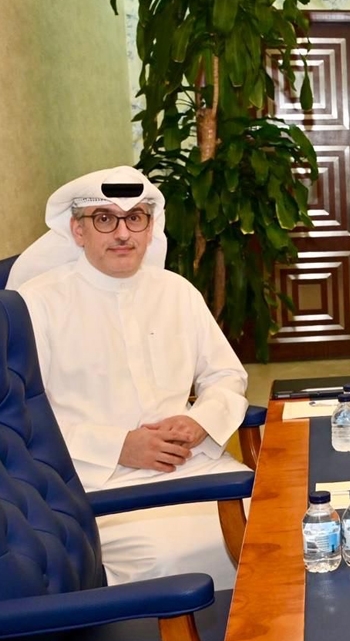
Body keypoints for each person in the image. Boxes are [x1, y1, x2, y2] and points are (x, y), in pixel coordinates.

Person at [18, 166, 248, 590]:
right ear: (78, 230)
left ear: (150, 227)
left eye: (135, 218)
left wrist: (200, 420)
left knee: (274, 524)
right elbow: (26, 422)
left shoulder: (177, 292)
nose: (123, 233)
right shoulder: (36, 304)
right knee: (169, 558)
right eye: (105, 219)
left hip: (196, 465)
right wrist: (119, 446)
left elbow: (226, 374)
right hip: (99, 483)